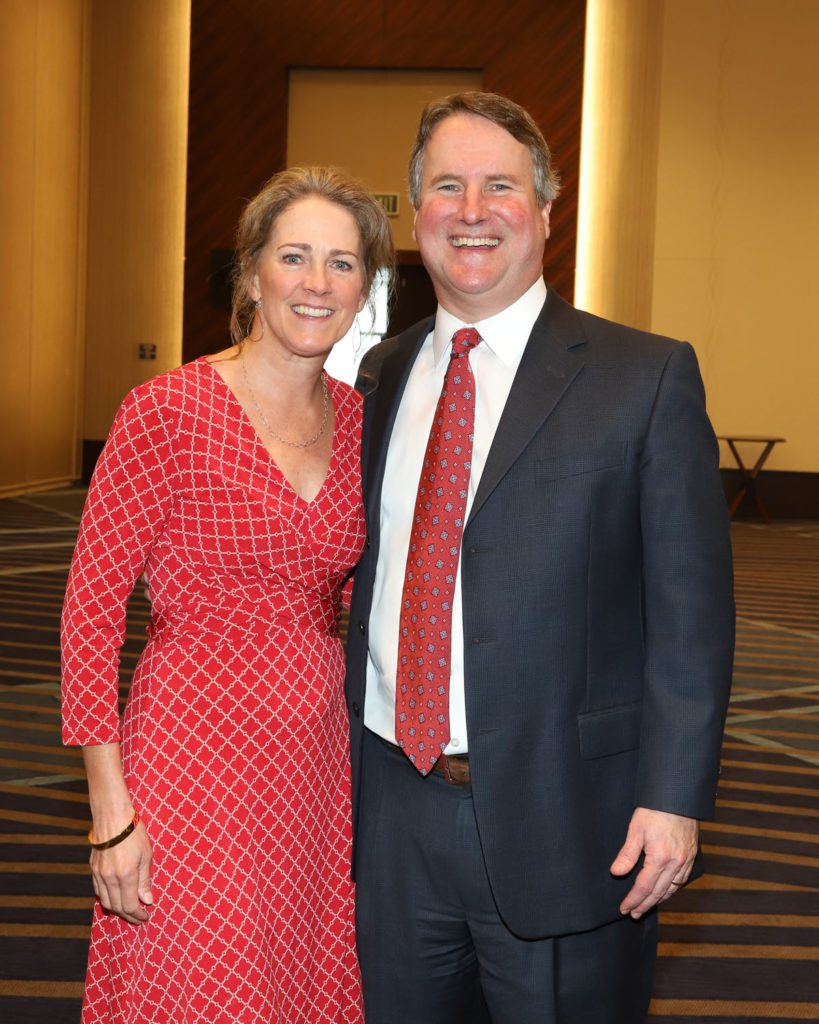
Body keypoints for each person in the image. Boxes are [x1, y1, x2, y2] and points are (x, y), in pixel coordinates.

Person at [344, 92, 735, 1023]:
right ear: (416, 212)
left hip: (572, 817)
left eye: (499, 187)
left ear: (546, 213)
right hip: (393, 812)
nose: (471, 210)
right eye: (446, 186)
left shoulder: (644, 375)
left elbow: (691, 616)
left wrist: (672, 800)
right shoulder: (380, 374)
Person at [61, 166, 394, 1023]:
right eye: (294, 256)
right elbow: (90, 618)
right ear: (251, 274)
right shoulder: (165, 411)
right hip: (192, 751)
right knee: (206, 984)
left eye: (343, 263)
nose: (317, 283)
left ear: (365, 287)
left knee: (299, 977)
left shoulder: (364, 424)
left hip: (318, 758)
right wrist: (109, 814)